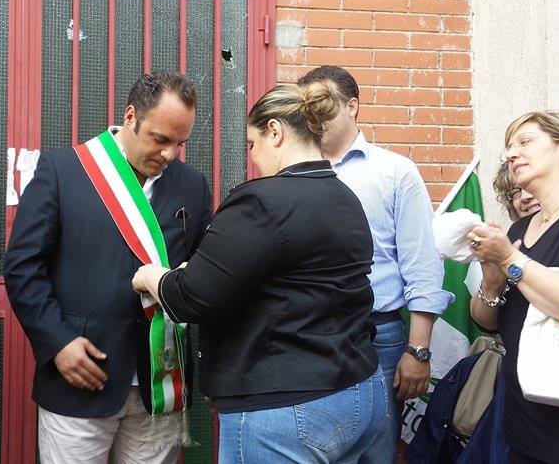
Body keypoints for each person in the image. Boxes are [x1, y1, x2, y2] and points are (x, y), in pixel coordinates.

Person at [132, 82, 385, 463]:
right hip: (360, 390)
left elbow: (192, 298)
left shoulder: (262, 202)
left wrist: (152, 276)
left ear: (275, 132)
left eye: (252, 144)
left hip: (286, 404)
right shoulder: (345, 197)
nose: (252, 157)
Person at [3, 72, 212, 463]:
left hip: (161, 382)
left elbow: (205, 270)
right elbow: (22, 268)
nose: (169, 154)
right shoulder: (62, 170)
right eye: (160, 139)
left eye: (179, 143)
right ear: (130, 116)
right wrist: (57, 342)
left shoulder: (193, 186)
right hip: (81, 377)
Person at [296, 65, 453, 463]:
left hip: (377, 337)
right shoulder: (291, 174)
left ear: (352, 106)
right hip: (304, 336)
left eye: (323, 105)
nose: (313, 117)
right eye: (305, 108)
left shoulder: (395, 172)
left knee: (375, 453)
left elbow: (422, 265)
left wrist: (418, 350)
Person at [468, 111, 559, 463]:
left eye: (524, 141)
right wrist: (492, 283)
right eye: (508, 146)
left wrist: (510, 259)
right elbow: (487, 322)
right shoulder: (520, 229)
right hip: (523, 421)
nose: (511, 153)